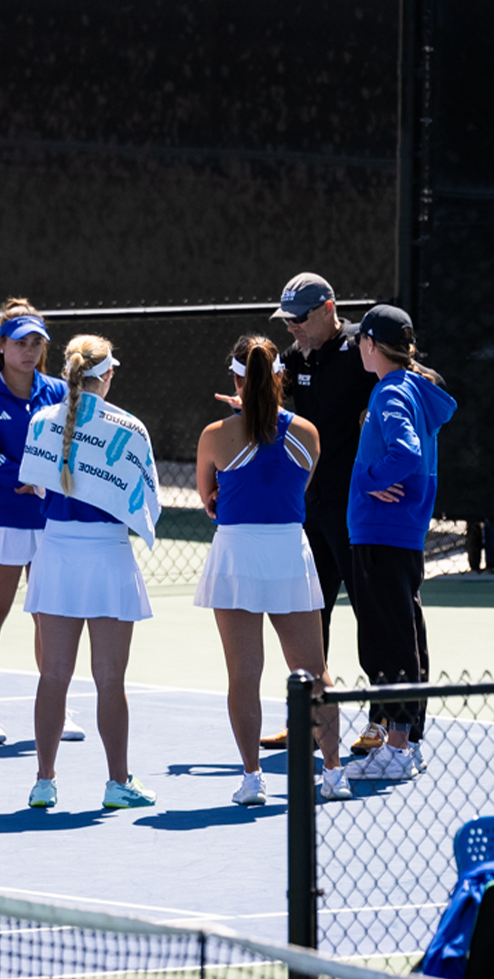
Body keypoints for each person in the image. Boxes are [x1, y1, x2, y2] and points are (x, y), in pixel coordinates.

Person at [194, 335, 352, 803]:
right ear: (279, 376)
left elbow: (210, 500)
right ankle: (334, 772)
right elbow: (292, 484)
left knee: (244, 673)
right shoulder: (307, 433)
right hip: (288, 552)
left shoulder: (215, 435)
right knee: (314, 671)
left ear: (237, 380)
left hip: (237, 555)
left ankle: (251, 778)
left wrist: (241, 413)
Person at [16, 335, 161, 810]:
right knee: (109, 679)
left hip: (56, 553)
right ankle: (117, 782)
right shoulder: (132, 428)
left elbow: (35, 489)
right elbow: (145, 503)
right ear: (109, 374)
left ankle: (44, 781)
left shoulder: (41, 422)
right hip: (107, 558)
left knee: (52, 675)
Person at [260, 272, 379, 753]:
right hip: (310, 510)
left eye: (300, 318)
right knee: (311, 614)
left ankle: (385, 722)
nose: (291, 327)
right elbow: (260, 391)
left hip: (358, 511)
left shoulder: (362, 351)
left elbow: (415, 385)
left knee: (374, 614)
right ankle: (309, 718)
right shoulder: (293, 357)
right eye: (286, 319)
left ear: (329, 308)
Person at [342, 305, 456, 783]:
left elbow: (406, 452)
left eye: (359, 342)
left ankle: (399, 746)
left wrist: (369, 478)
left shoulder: (390, 391)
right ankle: (403, 741)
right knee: (401, 635)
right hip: (396, 533)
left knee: (390, 640)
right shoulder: (408, 387)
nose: (357, 349)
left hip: (382, 533)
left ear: (372, 344)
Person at [0, 300, 83, 746]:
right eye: (20, 343)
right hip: (1, 519)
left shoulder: (56, 391)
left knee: (49, 616)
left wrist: (46, 481)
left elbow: (68, 444)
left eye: (37, 343)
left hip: (49, 519)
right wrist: (30, 478)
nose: (29, 351)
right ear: (1, 345)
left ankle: (57, 706)